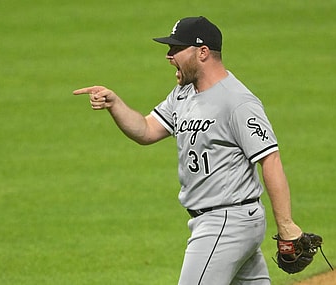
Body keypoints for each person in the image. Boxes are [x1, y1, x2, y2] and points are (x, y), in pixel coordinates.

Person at [73, 16, 303, 285]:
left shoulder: (238, 102)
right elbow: (146, 130)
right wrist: (115, 104)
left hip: (227, 221)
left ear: (202, 52)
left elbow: (270, 159)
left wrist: (286, 226)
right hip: (224, 220)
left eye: (176, 49)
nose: (169, 56)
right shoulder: (183, 94)